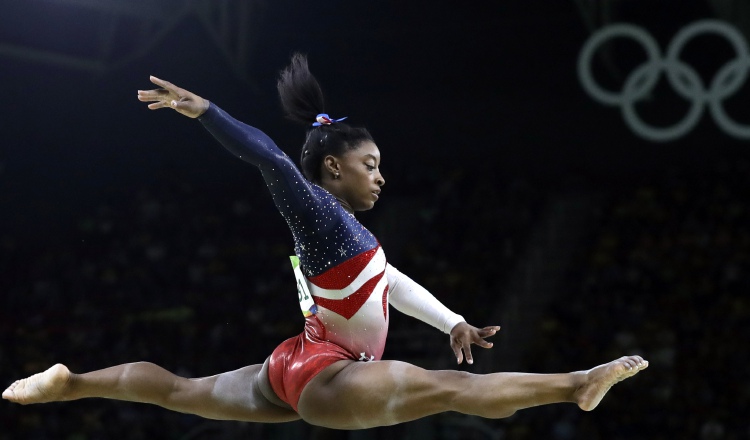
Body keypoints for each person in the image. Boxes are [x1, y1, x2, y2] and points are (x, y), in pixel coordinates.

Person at [2, 54, 647, 430]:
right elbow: (273, 162)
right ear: (334, 168)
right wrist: (208, 114)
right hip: (326, 373)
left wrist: (452, 321)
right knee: (451, 391)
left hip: (298, 363)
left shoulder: (346, 233)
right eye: (371, 164)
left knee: (181, 391)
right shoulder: (318, 210)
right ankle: (575, 384)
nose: (381, 175)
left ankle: (73, 383)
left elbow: (387, 281)